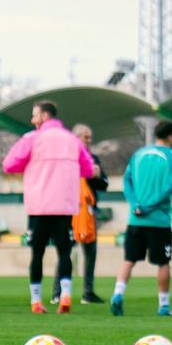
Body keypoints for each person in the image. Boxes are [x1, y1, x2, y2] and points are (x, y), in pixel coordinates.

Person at [3, 100, 95, 314]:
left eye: (35, 115)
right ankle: (65, 295)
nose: (32, 120)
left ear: (44, 116)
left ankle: (36, 300)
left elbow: (9, 164)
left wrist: (31, 165)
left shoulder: (32, 138)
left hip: (39, 206)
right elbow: (88, 169)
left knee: (37, 253)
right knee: (65, 253)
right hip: (65, 206)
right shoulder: (72, 139)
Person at [111, 121, 172, 317]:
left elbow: (126, 181)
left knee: (129, 260)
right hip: (158, 220)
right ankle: (164, 305)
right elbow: (168, 188)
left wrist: (135, 205)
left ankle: (118, 294)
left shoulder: (138, 154)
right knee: (163, 263)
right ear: (170, 136)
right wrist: (149, 207)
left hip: (135, 219)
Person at [54, 124, 108, 305]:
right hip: (69, 211)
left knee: (90, 253)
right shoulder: (66, 158)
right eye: (86, 137)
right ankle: (58, 292)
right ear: (76, 138)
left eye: (90, 137)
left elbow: (104, 184)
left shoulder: (93, 158)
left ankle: (88, 292)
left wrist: (95, 176)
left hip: (88, 211)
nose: (89, 141)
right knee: (65, 252)